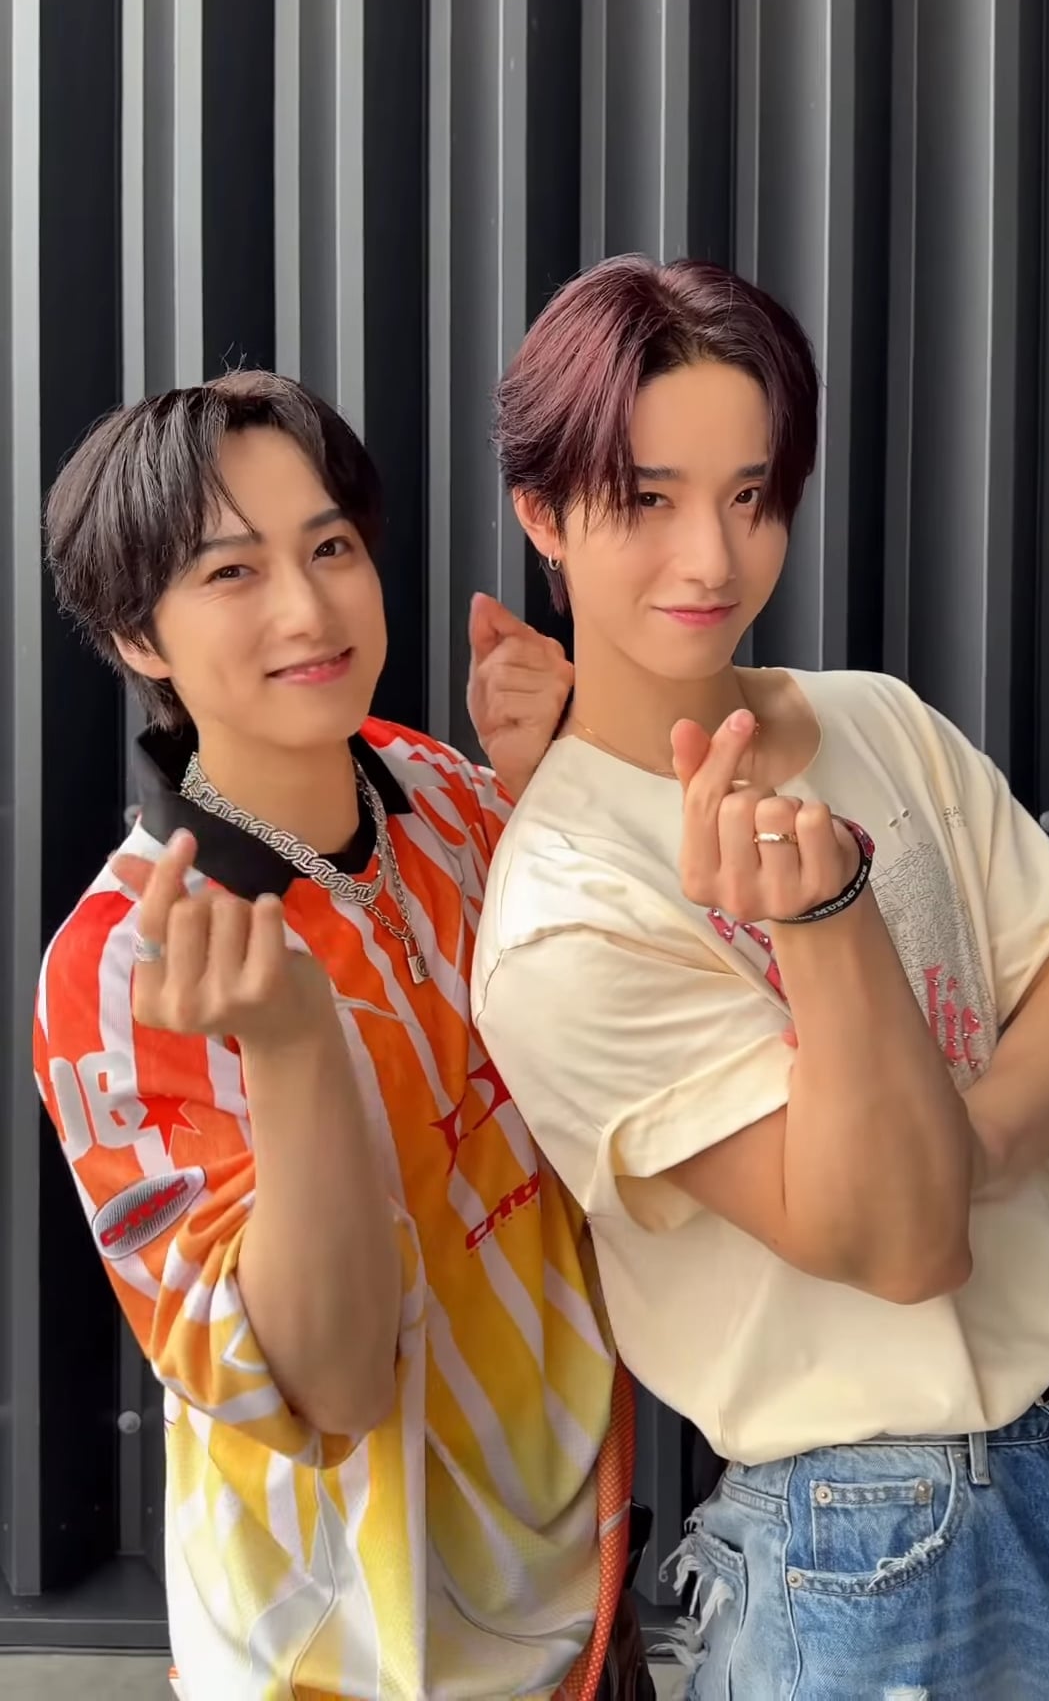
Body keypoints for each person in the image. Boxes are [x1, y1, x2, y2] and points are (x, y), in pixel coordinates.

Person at [471, 255, 1049, 1699]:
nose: (712, 559)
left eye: (751, 495)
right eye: (649, 500)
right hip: (868, 1542)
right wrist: (827, 919)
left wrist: (968, 1140)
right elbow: (904, 1245)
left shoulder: (880, 721)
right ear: (542, 511)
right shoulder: (566, 912)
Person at [35, 370, 652, 1701]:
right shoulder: (122, 965)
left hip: (587, 1594)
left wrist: (564, 787)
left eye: (330, 549)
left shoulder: (439, 792)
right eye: (231, 573)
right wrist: (296, 1047)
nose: (308, 610)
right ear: (139, 635)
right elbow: (329, 1385)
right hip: (353, 1660)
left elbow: (614, 1081)